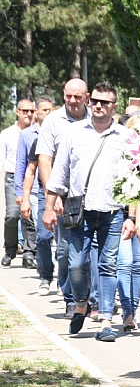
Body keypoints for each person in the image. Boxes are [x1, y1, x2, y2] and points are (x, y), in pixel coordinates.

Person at [44, 81, 135, 342]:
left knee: (108, 265)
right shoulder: (74, 132)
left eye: (104, 102)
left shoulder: (124, 137)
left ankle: (105, 319)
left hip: (113, 211)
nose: (97, 106)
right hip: (79, 210)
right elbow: (59, 172)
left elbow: (137, 179)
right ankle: (81, 303)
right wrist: (49, 207)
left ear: (114, 107)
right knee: (76, 264)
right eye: (94, 101)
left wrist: (131, 217)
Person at [38, 79, 91, 319]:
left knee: (91, 252)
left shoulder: (97, 117)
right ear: (63, 94)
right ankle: (70, 298)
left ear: (86, 97)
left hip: (92, 196)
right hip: (65, 197)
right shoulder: (52, 122)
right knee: (64, 250)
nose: (72, 101)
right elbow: (45, 159)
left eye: (77, 97)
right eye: (68, 96)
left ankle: (92, 300)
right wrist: (53, 195)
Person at [18, 97, 56, 291]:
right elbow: (30, 171)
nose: (48, 114)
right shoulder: (37, 141)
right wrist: (25, 198)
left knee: (65, 246)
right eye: (44, 111)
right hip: (44, 192)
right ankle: (46, 275)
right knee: (42, 237)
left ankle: (67, 284)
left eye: (51, 110)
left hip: (66, 195)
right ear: (37, 113)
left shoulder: (65, 135)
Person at [2, 100, 36, 266]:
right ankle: (10, 249)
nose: (28, 114)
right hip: (12, 177)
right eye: (25, 111)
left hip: (31, 177)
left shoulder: (36, 133)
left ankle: (29, 253)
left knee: (28, 217)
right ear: (17, 112)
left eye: (31, 111)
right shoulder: (7, 134)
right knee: (12, 215)